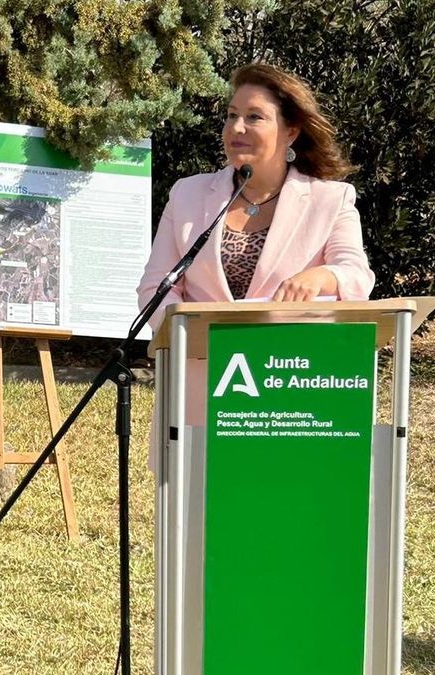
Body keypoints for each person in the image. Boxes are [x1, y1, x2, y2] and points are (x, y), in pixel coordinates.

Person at [136, 62, 375, 464]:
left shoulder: (330, 200)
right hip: (198, 398)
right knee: (196, 525)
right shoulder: (188, 195)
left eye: (254, 117)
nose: (236, 128)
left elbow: (356, 277)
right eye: (231, 116)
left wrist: (320, 276)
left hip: (289, 401)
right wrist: (188, 333)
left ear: (291, 131)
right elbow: (155, 288)